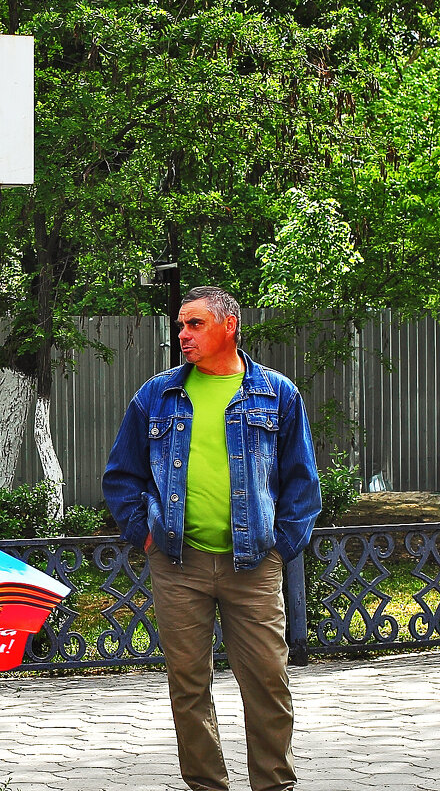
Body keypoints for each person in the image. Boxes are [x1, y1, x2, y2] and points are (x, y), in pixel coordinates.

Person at [102, 286, 322, 791]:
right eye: (180, 325)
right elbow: (121, 477)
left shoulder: (277, 394)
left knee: (268, 681)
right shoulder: (156, 396)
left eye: (195, 324)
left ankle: (274, 784)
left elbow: (301, 482)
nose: (182, 335)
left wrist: (279, 546)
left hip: (255, 565)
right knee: (188, 684)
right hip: (179, 564)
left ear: (229, 326)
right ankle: (206, 785)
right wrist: (149, 538)